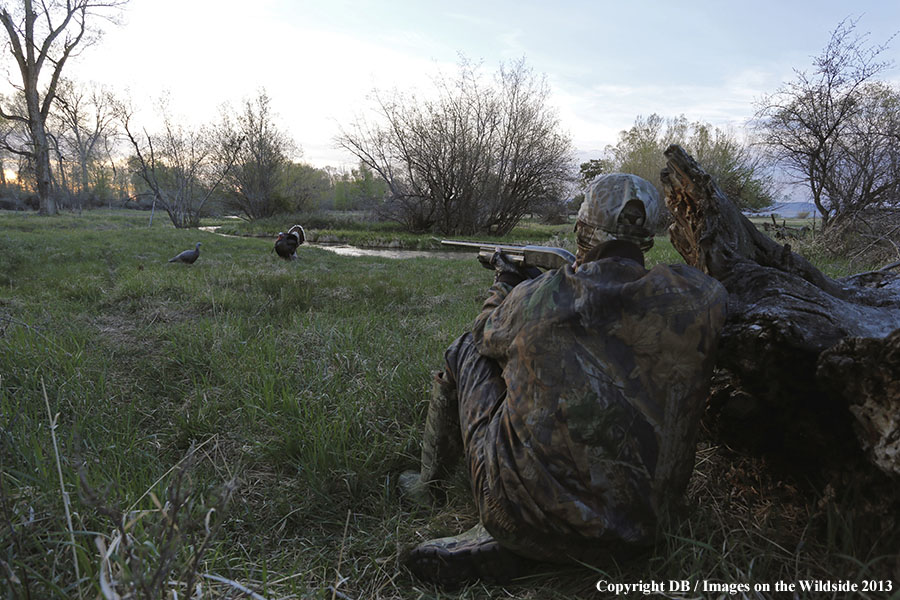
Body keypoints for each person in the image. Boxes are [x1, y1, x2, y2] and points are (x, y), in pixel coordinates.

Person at [399, 173, 729, 586]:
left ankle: (428, 485)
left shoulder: (535, 298)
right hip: (646, 528)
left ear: (581, 229)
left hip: (516, 516)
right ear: (648, 238)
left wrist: (504, 284)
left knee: (465, 349)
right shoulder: (701, 297)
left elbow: (485, 333)